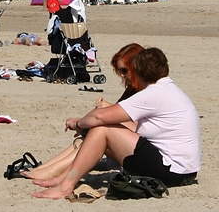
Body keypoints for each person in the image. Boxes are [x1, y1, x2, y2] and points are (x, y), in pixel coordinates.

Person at [29, 47, 201, 199]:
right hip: (185, 171)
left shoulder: (154, 93)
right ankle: (63, 178)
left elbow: (99, 117)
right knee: (104, 129)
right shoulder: (169, 89)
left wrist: (78, 124)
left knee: (102, 129)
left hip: (172, 171)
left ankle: (65, 186)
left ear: (139, 71)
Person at [21, 44, 144, 183]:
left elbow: (138, 124)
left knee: (98, 127)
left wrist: (102, 111)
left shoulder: (146, 91)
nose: (121, 75)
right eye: (119, 70)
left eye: (124, 70)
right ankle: (47, 167)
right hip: (131, 143)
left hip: (140, 149)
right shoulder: (133, 89)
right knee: (89, 133)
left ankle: (54, 171)